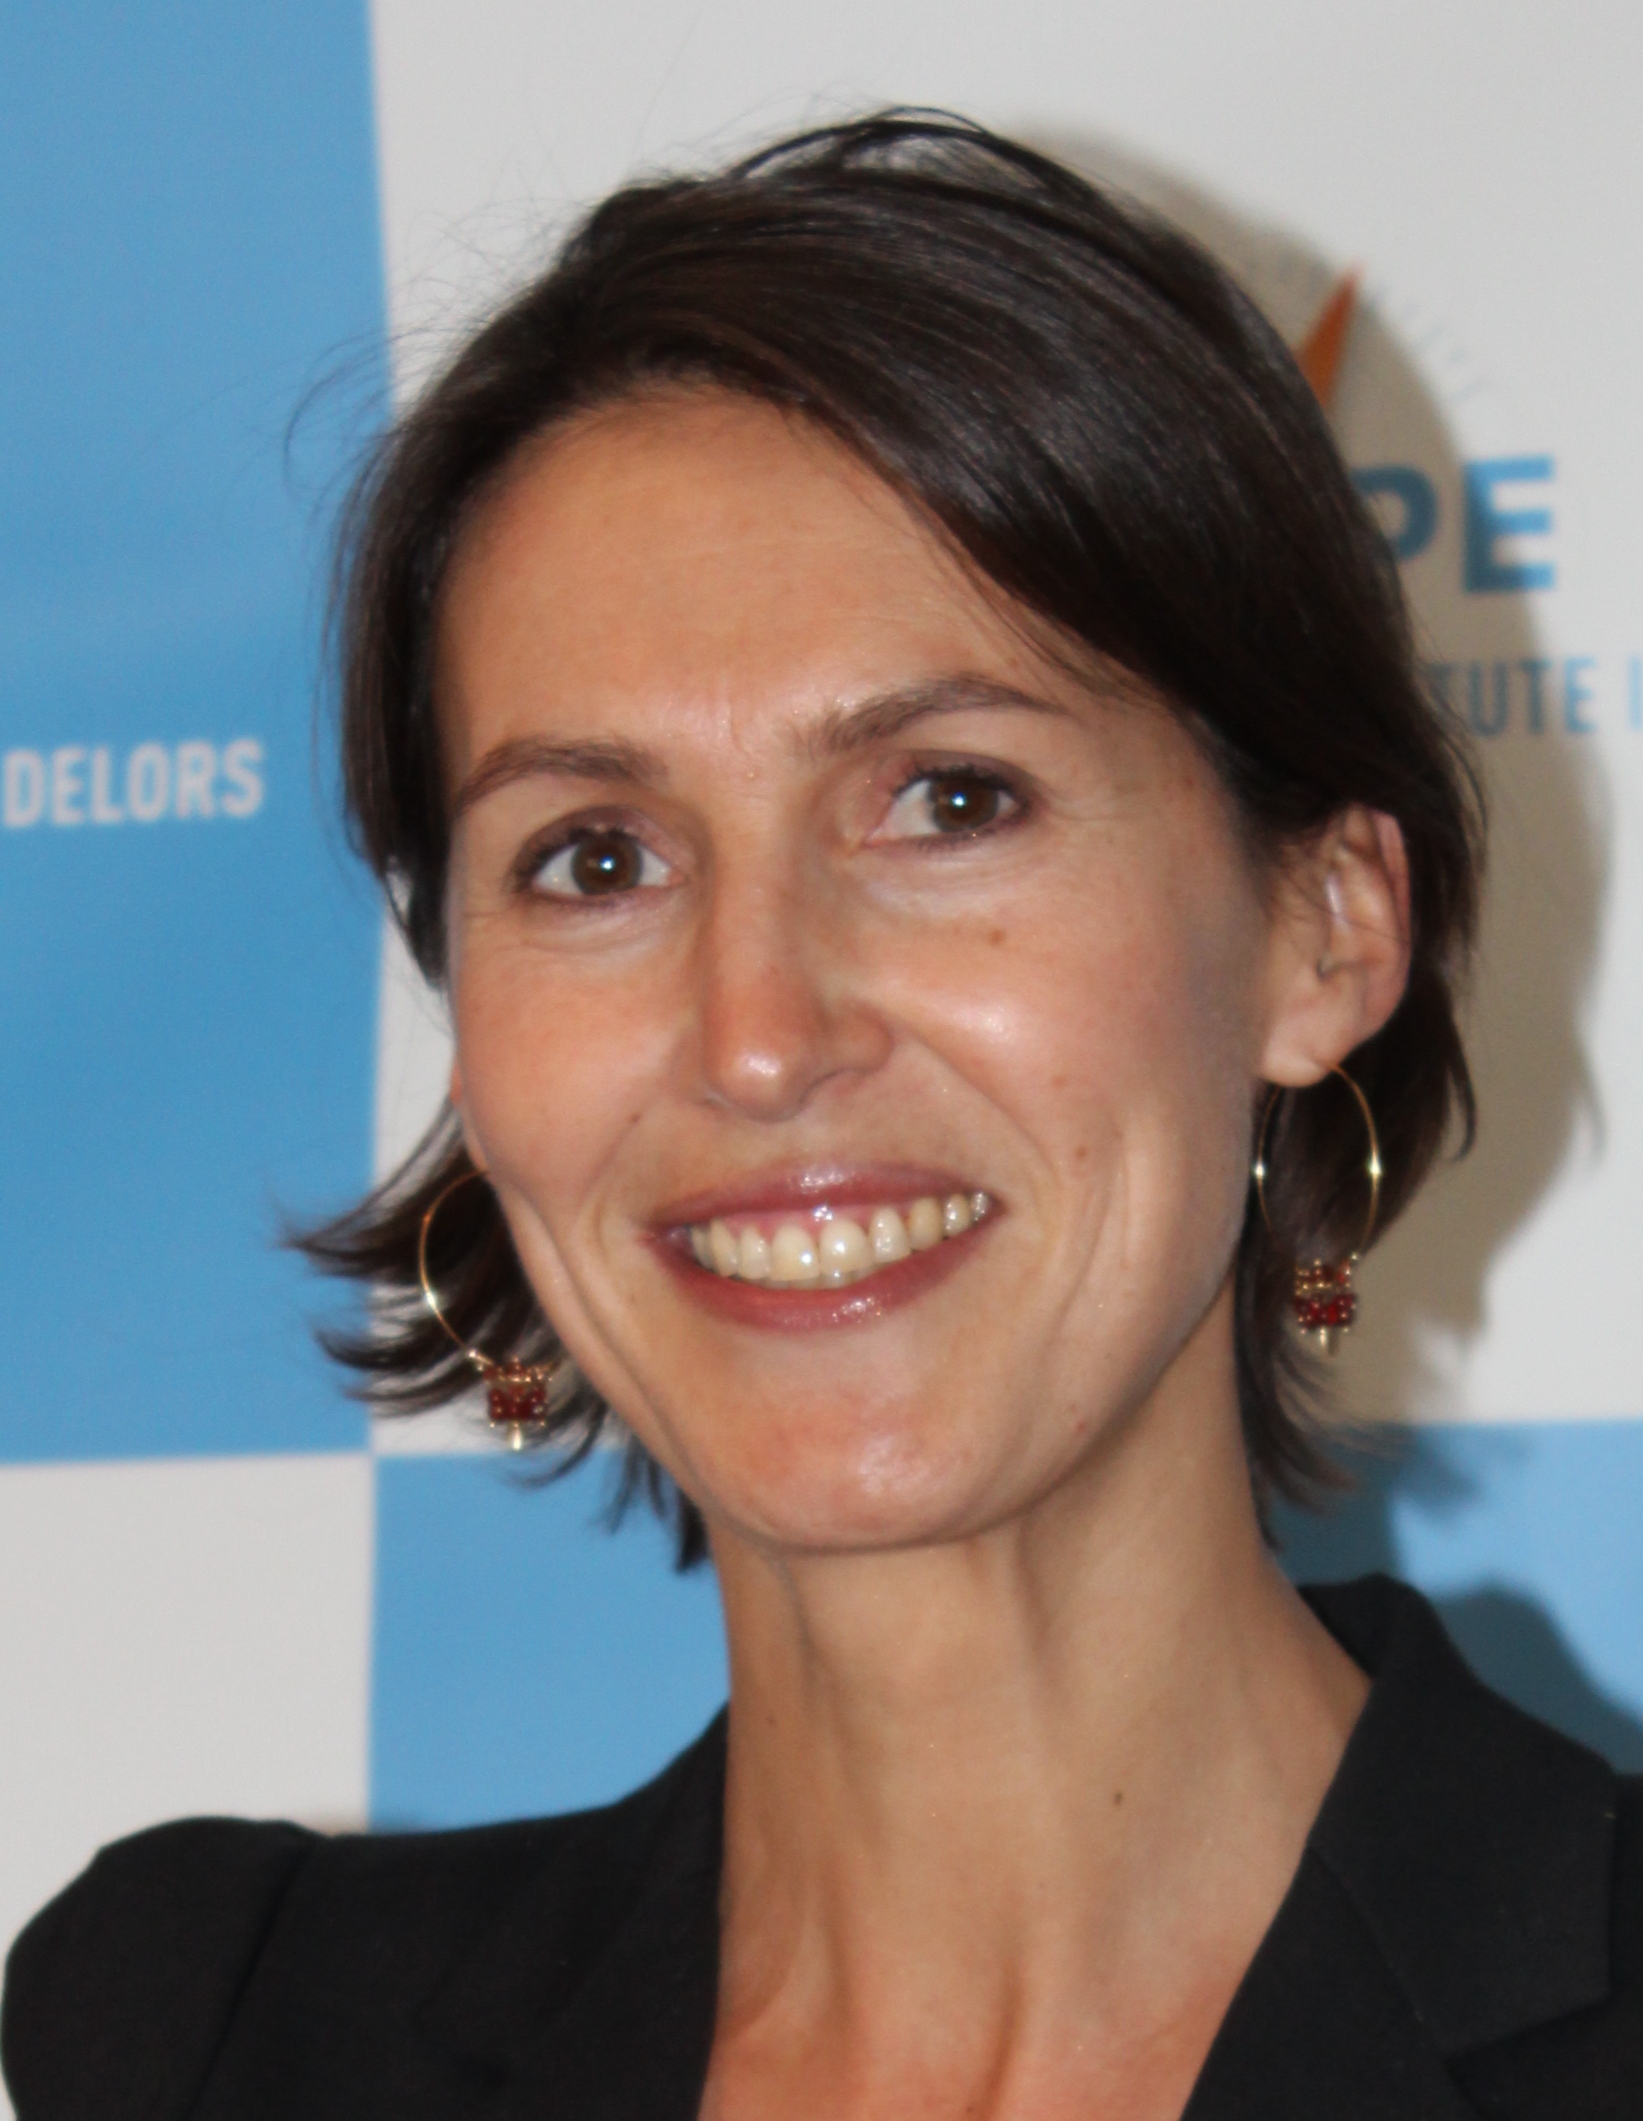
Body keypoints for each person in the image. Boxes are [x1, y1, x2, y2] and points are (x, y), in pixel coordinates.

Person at [3, 113, 1637, 2121]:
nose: (760, 1035)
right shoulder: (220, 2042)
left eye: (950, 799)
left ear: (1326, 928)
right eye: (597, 856)